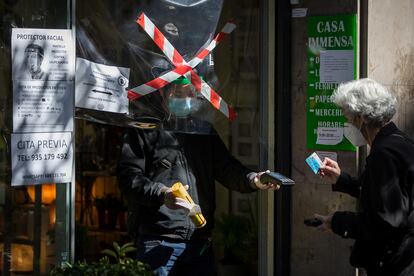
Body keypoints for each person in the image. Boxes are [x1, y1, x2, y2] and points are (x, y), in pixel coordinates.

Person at [118, 77, 279, 276]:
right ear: (163, 93)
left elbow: (227, 169)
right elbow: (129, 178)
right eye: (179, 93)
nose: (186, 99)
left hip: (199, 242)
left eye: (191, 94)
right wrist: (162, 193)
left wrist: (254, 179)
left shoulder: (203, 131)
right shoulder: (144, 130)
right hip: (159, 241)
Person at [313, 78, 414, 276]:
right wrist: (342, 180)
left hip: (395, 264)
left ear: (361, 118)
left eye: (348, 119)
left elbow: (384, 221)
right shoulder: (400, 142)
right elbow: (383, 196)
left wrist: (337, 222)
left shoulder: (383, 154)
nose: (347, 125)